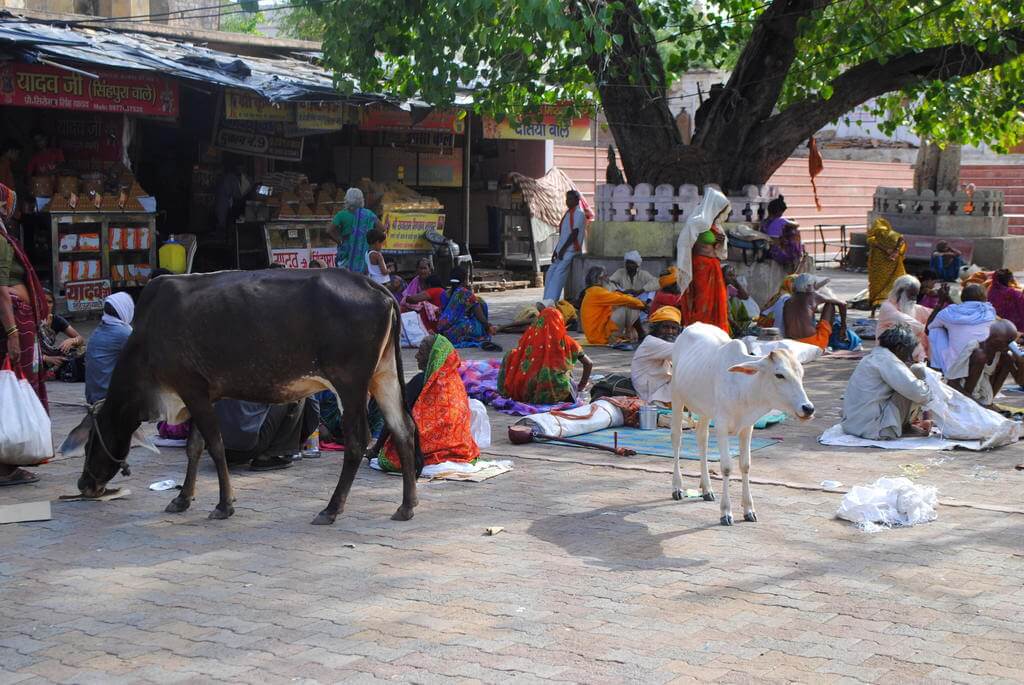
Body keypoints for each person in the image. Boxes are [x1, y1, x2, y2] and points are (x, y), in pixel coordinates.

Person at [0, 182, 50, 486]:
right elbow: (2, 290)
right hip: (11, 324)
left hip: (13, 324)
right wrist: (13, 331)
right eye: (8, 205)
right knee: (10, 391)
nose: (10, 210)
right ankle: (6, 465)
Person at [377, 334, 479, 472]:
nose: (416, 356)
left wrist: (377, 448)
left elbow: (397, 413)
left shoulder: (420, 381)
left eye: (421, 352)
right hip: (459, 447)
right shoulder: (456, 381)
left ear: (433, 356)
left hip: (428, 447)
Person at [841, 324, 933, 439]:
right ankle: (901, 427)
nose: (908, 358)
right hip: (874, 429)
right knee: (918, 375)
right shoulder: (887, 360)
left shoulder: (874, 357)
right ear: (900, 348)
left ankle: (903, 424)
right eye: (908, 352)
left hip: (854, 425)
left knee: (913, 377)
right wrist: (936, 390)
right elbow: (919, 393)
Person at [498, 306, 592, 404]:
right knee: (562, 371)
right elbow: (589, 363)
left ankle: (507, 390)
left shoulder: (530, 338)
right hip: (556, 394)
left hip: (524, 392)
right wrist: (581, 386)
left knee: (511, 354)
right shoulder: (568, 342)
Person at [215, 397, 320, 471]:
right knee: (297, 393)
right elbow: (313, 411)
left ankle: (234, 457)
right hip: (250, 447)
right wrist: (300, 440)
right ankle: (269, 456)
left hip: (220, 450)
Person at [677, 187, 730, 332]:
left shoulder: (715, 226)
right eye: (720, 208)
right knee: (702, 300)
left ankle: (716, 332)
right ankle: (699, 332)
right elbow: (684, 242)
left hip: (714, 267)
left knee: (717, 302)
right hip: (700, 266)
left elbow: (719, 250)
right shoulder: (696, 222)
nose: (721, 212)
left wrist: (720, 241)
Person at [946, 320, 1023, 407]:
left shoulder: (1004, 354)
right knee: (980, 357)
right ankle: (971, 406)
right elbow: (951, 383)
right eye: (1008, 342)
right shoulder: (975, 348)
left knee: (1006, 360)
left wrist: (1021, 363)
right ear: (995, 340)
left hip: (983, 393)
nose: (1011, 345)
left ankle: (988, 403)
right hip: (965, 393)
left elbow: (1020, 381)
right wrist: (975, 404)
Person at [927, 283, 996, 374]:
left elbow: (928, 329)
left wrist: (941, 301)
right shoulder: (989, 311)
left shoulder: (948, 312)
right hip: (983, 364)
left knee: (935, 331)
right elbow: (968, 308)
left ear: (962, 298)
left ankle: (938, 370)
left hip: (956, 366)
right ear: (984, 298)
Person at [84, 292, 134, 405]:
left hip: (93, 394)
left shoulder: (101, 327)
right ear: (124, 309)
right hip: (106, 396)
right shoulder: (123, 333)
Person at [436, 266, 500, 350]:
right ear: (465, 279)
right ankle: (482, 335)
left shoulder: (444, 294)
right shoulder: (466, 293)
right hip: (458, 330)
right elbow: (479, 315)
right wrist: (488, 326)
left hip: (444, 332)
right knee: (481, 303)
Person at [580, 266, 647, 345]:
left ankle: (639, 333)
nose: (608, 279)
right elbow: (620, 299)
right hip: (598, 337)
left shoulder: (594, 291)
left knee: (630, 304)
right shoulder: (596, 291)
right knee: (626, 308)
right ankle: (616, 337)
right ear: (599, 279)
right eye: (606, 276)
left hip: (597, 333)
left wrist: (639, 303)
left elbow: (617, 295)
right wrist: (642, 305)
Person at [630, 306, 682, 405]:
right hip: (650, 396)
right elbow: (687, 352)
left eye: (673, 328)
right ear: (656, 329)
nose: (670, 332)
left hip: (659, 390)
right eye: (665, 327)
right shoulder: (652, 343)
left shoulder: (663, 344)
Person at [782, 273, 847, 350]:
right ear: (809, 287)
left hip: (792, 342)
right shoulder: (813, 296)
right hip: (814, 343)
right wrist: (843, 326)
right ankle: (832, 338)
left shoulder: (788, 301)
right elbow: (843, 304)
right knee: (830, 304)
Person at [328, 187, 386, 273]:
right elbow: (382, 228)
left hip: (346, 253)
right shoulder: (368, 214)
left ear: (347, 199)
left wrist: (339, 241)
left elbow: (329, 230)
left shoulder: (341, 215)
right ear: (361, 200)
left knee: (344, 280)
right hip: (363, 253)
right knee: (362, 282)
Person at [543, 190, 586, 301]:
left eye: (570, 199)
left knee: (558, 274)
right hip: (561, 250)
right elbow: (563, 235)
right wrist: (556, 251)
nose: (567, 201)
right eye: (567, 199)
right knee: (549, 274)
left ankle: (551, 301)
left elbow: (574, 233)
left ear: (577, 200)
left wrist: (563, 249)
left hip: (571, 250)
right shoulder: (568, 214)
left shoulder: (579, 214)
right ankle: (545, 300)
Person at [876, 274, 931, 361]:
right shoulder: (887, 307)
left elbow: (933, 314)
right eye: (911, 295)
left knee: (937, 329)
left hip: (910, 351)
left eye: (916, 295)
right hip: (891, 353)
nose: (914, 299)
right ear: (900, 292)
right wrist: (928, 326)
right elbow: (909, 324)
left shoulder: (911, 305)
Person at [39, 289, 84, 379]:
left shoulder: (56, 320)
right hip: (34, 357)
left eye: (50, 302)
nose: (47, 305)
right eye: (43, 301)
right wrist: (46, 358)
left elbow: (81, 339)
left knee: (81, 350)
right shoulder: (30, 320)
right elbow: (25, 348)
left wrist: (72, 340)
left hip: (50, 355)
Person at [866, 217, 906, 315]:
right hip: (888, 267)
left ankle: (874, 310)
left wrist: (893, 251)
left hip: (881, 269)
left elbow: (870, 240)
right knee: (893, 286)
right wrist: (895, 251)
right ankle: (891, 309)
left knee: (878, 287)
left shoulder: (874, 238)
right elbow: (901, 239)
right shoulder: (893, 235)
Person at [761, 197, 804, 271]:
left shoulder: (764, 222)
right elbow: (796, 224)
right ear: (779, 212)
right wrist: (788, 220)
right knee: (794, 231)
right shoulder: (780, 221)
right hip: (777, 253)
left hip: (767, 251)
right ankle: (797, 256)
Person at [722, 264, 758, 338]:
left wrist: (735, 281)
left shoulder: (728, 287)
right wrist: (736, 326)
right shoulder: (717, 288)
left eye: (734, 275)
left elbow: (745, 297)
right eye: (729, 275)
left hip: (729, 322)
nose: (733, 278)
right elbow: (723, 313)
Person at [213, 158, 247, 235]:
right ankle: (224, 236)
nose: (241, 170)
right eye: (240, 168)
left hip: (225, 202)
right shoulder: (231, 178)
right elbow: (235, 193)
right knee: (223, 221)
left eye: (242, 168)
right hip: (224, 202)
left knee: (223, 220)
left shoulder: (232, 177)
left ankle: (224, 234)